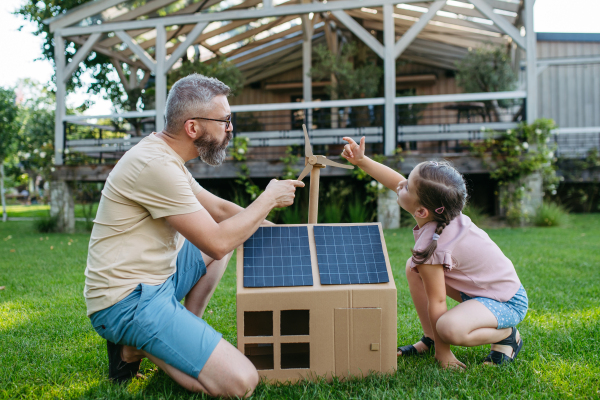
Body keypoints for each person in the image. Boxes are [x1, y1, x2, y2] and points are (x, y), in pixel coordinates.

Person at [85, 74, 304, 397]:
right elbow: (216, 240)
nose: (230, 128)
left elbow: (220, 210)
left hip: (158, 282)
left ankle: (180, 330)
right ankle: (133, 348)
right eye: (225, 120)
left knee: (226, 241)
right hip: (126, 300)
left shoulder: (167, 157)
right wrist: (268, 198)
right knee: (241, 382)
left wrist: (290, 238)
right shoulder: (154, 165)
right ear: (193, 128)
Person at [340, 136, 528, 369]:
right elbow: (396, 182)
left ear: (421, 210)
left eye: (408, 185)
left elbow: (438, 302)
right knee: (413, 267)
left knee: (450, 329)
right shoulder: (439, 212)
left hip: (507, 302)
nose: (401, 184)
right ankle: (430, 338)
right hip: (480, 293)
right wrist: (362, 161)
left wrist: (444, 353)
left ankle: (507, 336)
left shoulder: (432, 243)